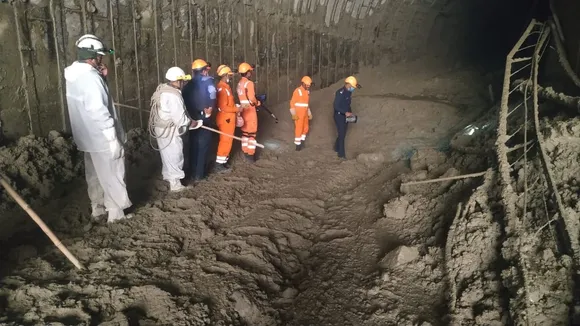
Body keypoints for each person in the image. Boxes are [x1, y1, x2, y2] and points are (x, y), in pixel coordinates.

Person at [64, 34, 132, 223]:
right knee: (112, 174)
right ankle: (116, 215)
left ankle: (98, 209)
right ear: (94, 56)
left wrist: (103, 79)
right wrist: (112, 138)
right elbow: (99, 110)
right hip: (102, 137)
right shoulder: (91, 78)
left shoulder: (74, 75)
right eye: (100, 56)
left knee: (94, 175)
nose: (102, 59)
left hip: (87, 137)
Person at [148, 67, 202, 192]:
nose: (184, 83)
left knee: (167, 153)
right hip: (169, 130)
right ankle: (175, 184)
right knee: (175, 154)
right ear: (178, 81)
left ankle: (169, 177)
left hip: (161, 128)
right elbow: (180, 120)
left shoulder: (163, 89)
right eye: (182, 81)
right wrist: (192, 123)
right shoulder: (174, 96)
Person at [182, 59, 216, 182]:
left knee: (192, 146)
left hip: (190, 121)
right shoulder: (208, 83)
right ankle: (199, 175)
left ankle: (191, 172)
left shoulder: (186, 86)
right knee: (202, 147)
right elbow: (212, 101)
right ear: (204, 70)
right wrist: (206, 113)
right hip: (204, 120)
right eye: (207, 68)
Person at [214, 65, 239, 172]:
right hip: (226, 118)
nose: (230, 77)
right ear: (224, 75)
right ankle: (219, 164)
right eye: (229, 75)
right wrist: (237, 109)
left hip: (227, 117)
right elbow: (223, 106)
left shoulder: (224, 87)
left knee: (227, 140)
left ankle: (223, 161)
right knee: (225, 141)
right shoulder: (223, 89)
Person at [236, 62, 260, 163]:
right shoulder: (249, 83)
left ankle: (245, 151)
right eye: (250, 71)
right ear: (248, 73)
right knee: (252, 134)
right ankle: (251, 154)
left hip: (243, 109)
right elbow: (252, 98)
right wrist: (257, 102)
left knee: (245, 133)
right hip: (250, 110)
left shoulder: (239, 83)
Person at [333, 76, 361, 160]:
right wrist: (345, 112)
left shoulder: (349, 92)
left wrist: (350, 113)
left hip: (346, 116)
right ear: (348, 84)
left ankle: (336, 147)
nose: (353, 88)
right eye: (352, 87)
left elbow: (347, 104)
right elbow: (336, 106)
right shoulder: (340, 93)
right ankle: (341, 155)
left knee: (343, 133)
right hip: (339, 116)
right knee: (342, 135)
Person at [290, 76, 313, 151]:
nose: (308, 86)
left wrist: (309, 113)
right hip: (298, 114)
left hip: (305, 114)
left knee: (305, 128)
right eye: (307, 85)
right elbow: (292, 103)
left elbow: (306, 104)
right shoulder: (297, 91)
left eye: (309, 85)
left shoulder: (307, 92)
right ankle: (298, 146)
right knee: (299, 129)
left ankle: (302, 142)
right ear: (303, 83)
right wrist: (293, 114)